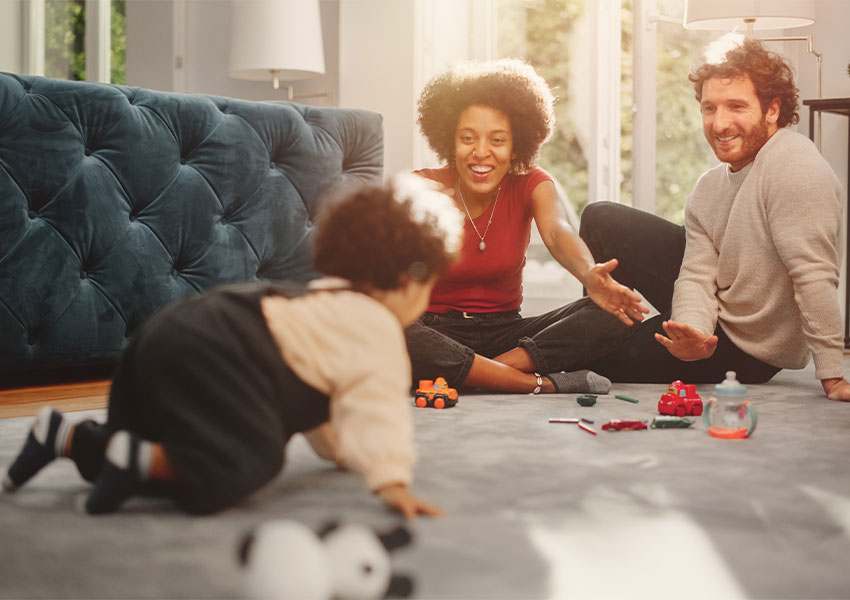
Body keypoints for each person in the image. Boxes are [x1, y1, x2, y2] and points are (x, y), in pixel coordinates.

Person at [2, 174, 465, 516]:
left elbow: (326, 402)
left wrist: (343, 453)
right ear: (411, 279)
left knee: (165, 435)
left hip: (170, 332)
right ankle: (134, 460)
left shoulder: (323, 299)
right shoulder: (378, 331)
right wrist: (391, 481)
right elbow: (377, 410)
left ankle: (62, 436)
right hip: (222, 353)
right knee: (246, 460)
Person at [577, 34, 850, 400]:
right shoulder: (710, 187)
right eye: (710, 108)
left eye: (736, 106)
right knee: (601, 218)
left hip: (751, 348)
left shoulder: (795, 167)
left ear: (772, 110)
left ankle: (576, 343)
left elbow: (814, 275)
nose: (720, 124)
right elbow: (696, 273)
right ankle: (591, 326)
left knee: (589, 354)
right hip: (716, 320)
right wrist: (692, 333)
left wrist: (833, 376)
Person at [407, 58, 649, 396]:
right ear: (449, 140)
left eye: (497, 140)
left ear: (516, 145)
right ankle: (533, 383)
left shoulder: (531, 182)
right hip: (437, 331)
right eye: (467, 138)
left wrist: (588, 273)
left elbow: (557, 231)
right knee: (390, 325)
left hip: (508, 334)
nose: (481, 152)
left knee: (619, 311)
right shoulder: (421, 187)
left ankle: (476, 373)